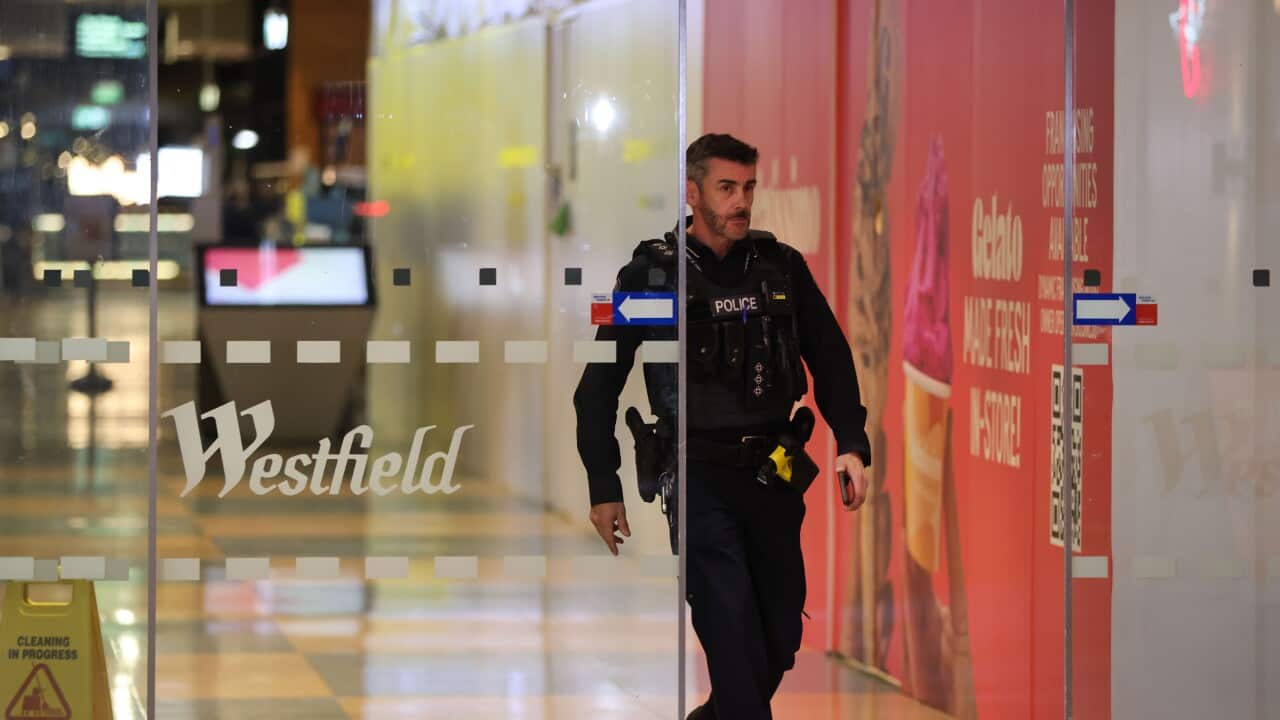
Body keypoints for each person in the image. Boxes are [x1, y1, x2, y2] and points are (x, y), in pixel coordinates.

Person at [573, 133, 872, 719]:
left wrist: (852, 443)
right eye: (726, 188)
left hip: (773, 478)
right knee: (732, 642)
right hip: (699, 480)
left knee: (779, 641)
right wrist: (602, 485)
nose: (741, 202)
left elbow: (831, 357)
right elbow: (597, 385)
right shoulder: (652, 278)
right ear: (692, 192)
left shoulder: (781, 268)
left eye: (749, 188)